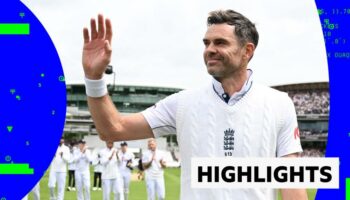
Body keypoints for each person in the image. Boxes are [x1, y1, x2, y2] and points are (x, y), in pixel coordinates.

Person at [82, 9, 307, 200]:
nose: (209, 49)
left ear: (247, 51)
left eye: (220, 42)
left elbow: (291, 183)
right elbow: (112, 129)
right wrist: (94, 79)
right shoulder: (183, 103)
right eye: (206, 43)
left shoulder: (279, 104)